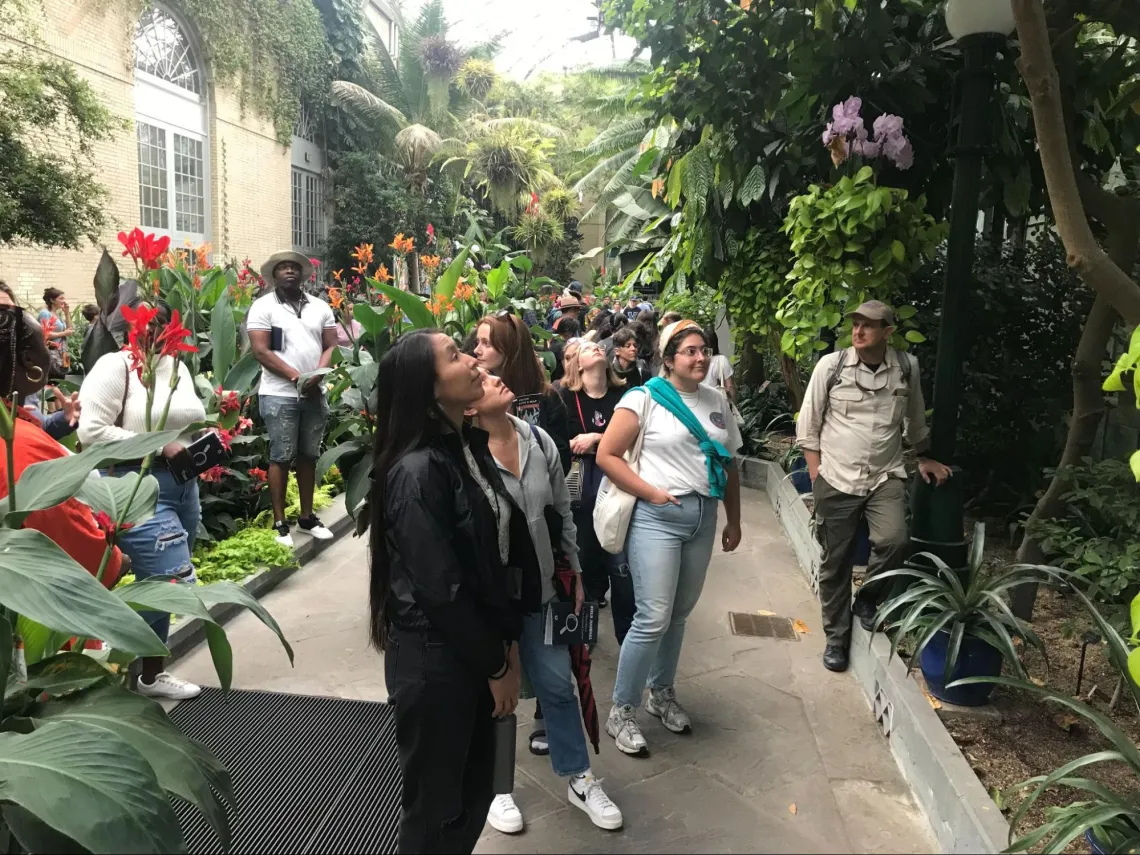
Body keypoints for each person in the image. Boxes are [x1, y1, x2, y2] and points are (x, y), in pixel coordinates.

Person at [369, 330, 521, 855]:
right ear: (428, 389)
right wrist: (495, 666)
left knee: (475, 793)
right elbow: (441, 588)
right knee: (434, 808)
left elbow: (493, 558)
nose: (475, 360)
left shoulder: (466, 448)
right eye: (456, 356)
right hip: (437, 659)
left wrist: (506, 645)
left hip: (474, 648)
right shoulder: (415, 472)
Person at [472, 371, 623, 835]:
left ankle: (579, 776)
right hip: (487, 603)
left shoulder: (537, 440)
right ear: (466, 405)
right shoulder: (458, 455)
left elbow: (562, 513)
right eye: (478, 378)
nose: (493, 377)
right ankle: (496, 790)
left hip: (540, 591)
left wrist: (572, 574)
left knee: (559, 686)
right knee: (495, 699)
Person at [597, 320, 743, 756]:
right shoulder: (642, 399)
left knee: (678, 615)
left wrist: (733, 521)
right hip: (658, 517)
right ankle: (621, 710)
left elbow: (730, 464)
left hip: (703, 518)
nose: (700, 358)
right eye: (690, 351)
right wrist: (652, 494)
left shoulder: (717, 402)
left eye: (705, 351)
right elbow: (607, 454)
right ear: (668, 358)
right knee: (653, 616)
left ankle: (660, 695)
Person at [796, 300, 952, 673]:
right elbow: (808, 427)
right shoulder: (831, 367)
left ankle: (868, 597)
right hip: (836, 477)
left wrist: (925, 455)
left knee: (895, 540)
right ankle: (836, 638)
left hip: (885, 475)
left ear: (888, 331)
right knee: (836, 562)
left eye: (869, 325)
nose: (859, 330)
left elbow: (914, 416)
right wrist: (816, 478)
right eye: (855, 324)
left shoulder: (905, 367)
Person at [78, 299, 207, 700]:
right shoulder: (115, 366)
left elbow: (193, 412)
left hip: (181, 485)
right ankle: (115, 669)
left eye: (162, 322)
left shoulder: (178, 366)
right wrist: (158, 443)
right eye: (145, 322)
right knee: (171, 579)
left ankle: (149, 675)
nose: (154, 330)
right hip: (132, 485)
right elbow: (91, 432)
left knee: (161, 582)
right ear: (129, 327)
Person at [0, 303, 127, 596]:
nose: (51, 351)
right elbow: (66, 531)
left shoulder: (19, 422)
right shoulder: (21, 448)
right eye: (45, 344)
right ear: (28, 360)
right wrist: (115, 562)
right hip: (46, 605)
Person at [247, 251, 339, 547]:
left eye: (294, 267)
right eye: (282, 268)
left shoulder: (320, 307)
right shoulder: (263, 307)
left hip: (315, 391)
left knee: (308, 456)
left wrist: (318, 376)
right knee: (281, 457)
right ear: (273, 275)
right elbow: (261, 351)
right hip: (278, 394)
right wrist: (297, 379)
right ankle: (279, 523)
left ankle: (307, 517)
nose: (289, 271)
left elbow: (331, 345)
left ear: (303, 274)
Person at [559, 339, 634, 638]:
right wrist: (603, 441)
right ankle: (584, 636)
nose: (597, 349)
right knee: (585, 558)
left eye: (599, 347)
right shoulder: (563, 396)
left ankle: (627, 635)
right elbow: (560, 444)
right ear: (577, 364)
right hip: (580, 491)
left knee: (620, 562)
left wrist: (593, 439)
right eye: (587, 349)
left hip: (618, 486)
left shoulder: (625, 395)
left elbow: (633, 440)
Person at [474, 313, 571, 472]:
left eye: (487, 344)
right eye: (477, 342)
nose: (477, 350)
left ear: (509, 347)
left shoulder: (547, 397)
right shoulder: (475, 394)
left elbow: (562, 461)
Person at [38, 288, 73, 378]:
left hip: (63, 351)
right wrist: (63, 334)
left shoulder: (57, 314)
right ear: (52, 300)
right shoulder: (45, 313)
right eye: (61, 298)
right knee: (54, 378)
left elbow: (70, 330)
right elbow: (45, 334)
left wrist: (67, 313)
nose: (64, 301)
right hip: (52, 351)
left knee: (63, 377)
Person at [700, 328, 737, 402]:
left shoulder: (696, 359)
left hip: (698, 400)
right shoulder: (721, 360)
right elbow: (729, 386)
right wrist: (733, 403)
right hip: (716, 401)